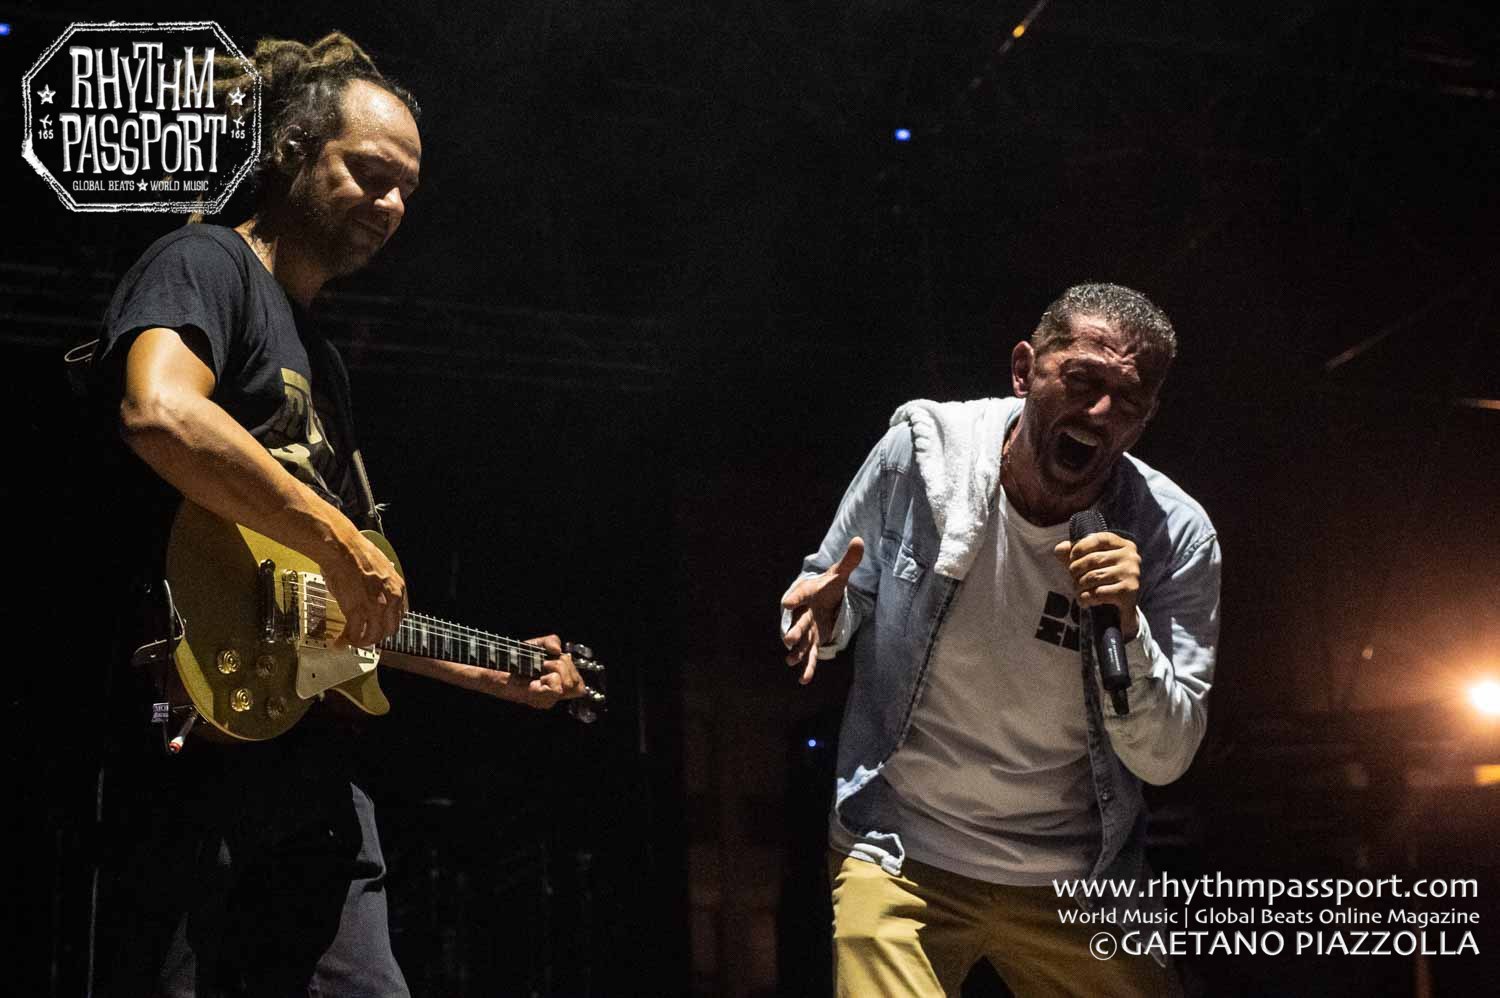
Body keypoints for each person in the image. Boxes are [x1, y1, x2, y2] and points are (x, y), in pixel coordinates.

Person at [87, 33, 583, 996]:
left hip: (307, 762)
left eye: (407, 190)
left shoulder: (325, 364)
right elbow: (160, 411)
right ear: (291, 153)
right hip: (197, 734)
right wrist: (339, 535)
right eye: (368, 173)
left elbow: (332, 610)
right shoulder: (204, 261)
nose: (391, 205)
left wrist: (494, 671)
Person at [781, 283, 1221, 996]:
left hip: (1079, 878)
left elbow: (1165, 758)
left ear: (1145, 420)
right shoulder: (921, 459)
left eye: (1127, 400)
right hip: (903, 851)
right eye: (1081, 380)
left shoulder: (1175, 535)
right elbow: (831, 593)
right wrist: (823, 620)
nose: (1099, 412)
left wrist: (1128, 628)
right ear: (1024, 371)